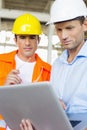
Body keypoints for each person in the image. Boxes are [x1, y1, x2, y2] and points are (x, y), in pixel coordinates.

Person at [0, 13, 51, 130]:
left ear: (38, 40)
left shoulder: (49, 71)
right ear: (15, 40)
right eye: (22, 37)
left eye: (32, 37)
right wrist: (4, 89)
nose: (27, 43)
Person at [49, 0, 87, 114]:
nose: (63, 36)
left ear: (85, 25)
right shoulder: (57, 64)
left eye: (69, 28)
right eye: (59, 30)